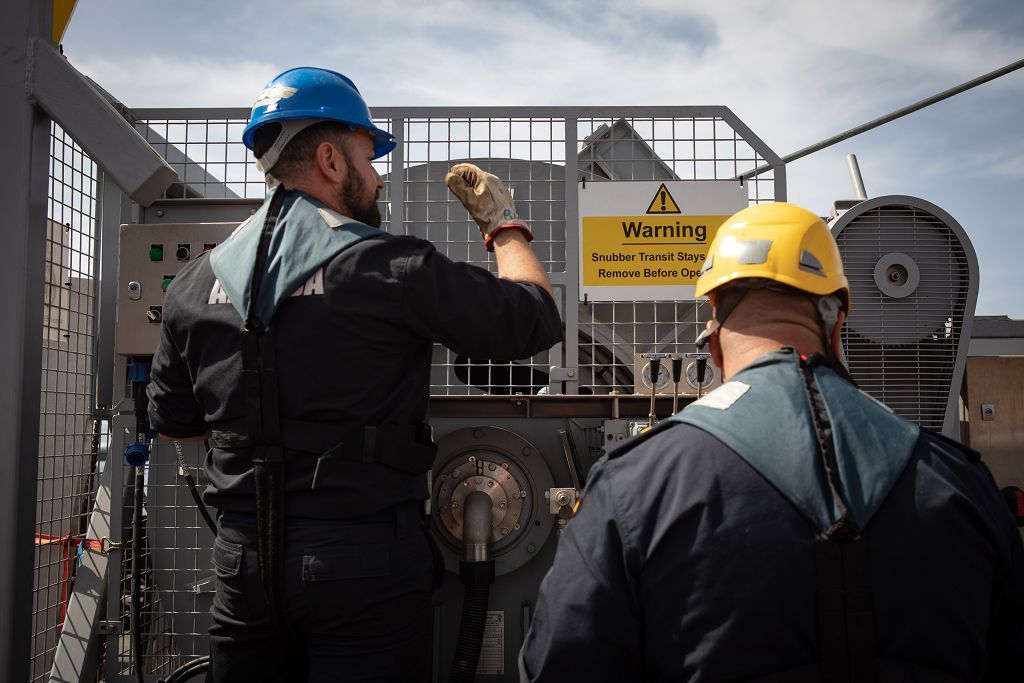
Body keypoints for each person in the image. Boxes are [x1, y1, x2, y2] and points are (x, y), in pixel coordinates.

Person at [146, 66, 561, 683]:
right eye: (370, 155)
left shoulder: (194, 283)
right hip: (360, 564)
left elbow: (175, 423)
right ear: (331, 161)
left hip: (243, 567)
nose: (379, 175)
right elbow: (533, 320)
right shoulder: (388, 267)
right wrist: (503, 226)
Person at [520, 202, 1024, 681]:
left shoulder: (633, 487)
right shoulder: (959, 480)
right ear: (838, 324)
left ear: (713, 340)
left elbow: (563, 664)